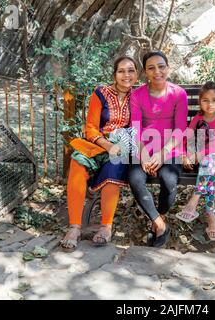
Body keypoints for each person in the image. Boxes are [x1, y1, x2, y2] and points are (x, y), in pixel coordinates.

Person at [60, 56, 138, 251]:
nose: (126, 75)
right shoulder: (101, 93)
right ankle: (75, 227)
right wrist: (106, 145)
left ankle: (106, 226)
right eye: (121, 71)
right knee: (77, 165)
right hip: (98, 144)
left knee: (114, 170)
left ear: (137, 74)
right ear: (114, 74)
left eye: (130, 70)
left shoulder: (138, 97)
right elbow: (91, 128)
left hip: (122, 146)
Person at [129, 51, 188, 248]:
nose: (157, 72)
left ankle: (158, 216)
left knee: (168, 179)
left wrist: (161, 156)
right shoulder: (137, 95)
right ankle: (160, 225)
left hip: (171, 149)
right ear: (145, 72)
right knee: (135, 178)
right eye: (151, 68)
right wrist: (145, 156)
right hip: (144, 147)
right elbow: (135, 130)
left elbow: (180, 130)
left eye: (161, 66)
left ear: (168, 68)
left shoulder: (179, 94)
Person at [176, 81, 215, 242]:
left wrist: (200, 154)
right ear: (200, 101)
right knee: (209, 169)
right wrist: (185, 154)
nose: (210, 104)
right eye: (205, 100)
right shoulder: (197, 118)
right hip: (204, 161)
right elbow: (185, 139)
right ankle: (211, 219)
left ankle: (195, 199)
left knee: (209, 161)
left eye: (214, 100)